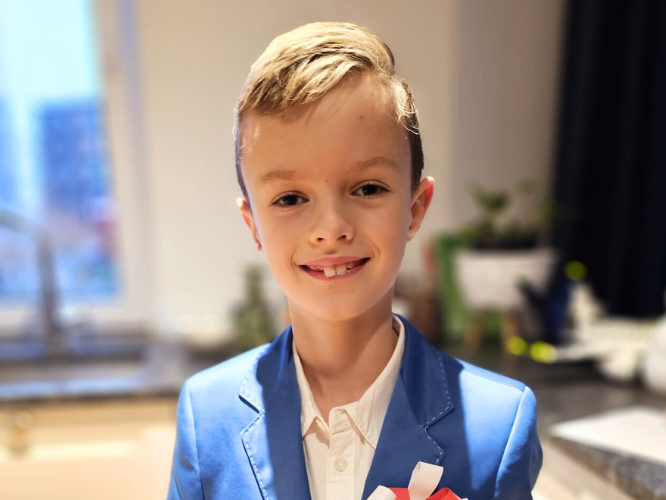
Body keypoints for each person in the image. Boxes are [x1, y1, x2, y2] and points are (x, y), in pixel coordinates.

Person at [167, 22, 542, 500]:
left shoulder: (499, 423)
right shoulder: (205, 416)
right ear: (253, 225)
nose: (331, 228)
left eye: (367, 188)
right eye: (290, 198)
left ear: (415, 208)